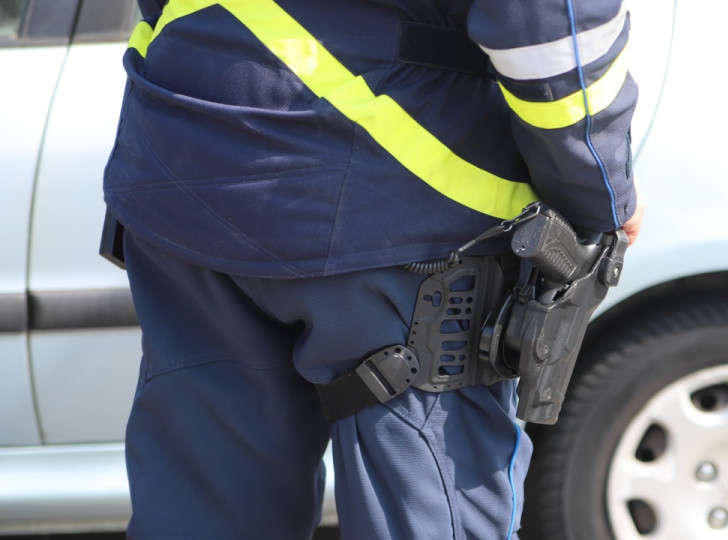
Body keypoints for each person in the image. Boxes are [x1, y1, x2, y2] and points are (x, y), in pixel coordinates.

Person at [102, 0, 643, 538]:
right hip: (402, 211)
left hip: (179, 161)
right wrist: (601, 197)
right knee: (430, 505)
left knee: (203, 504)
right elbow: (549, 29)